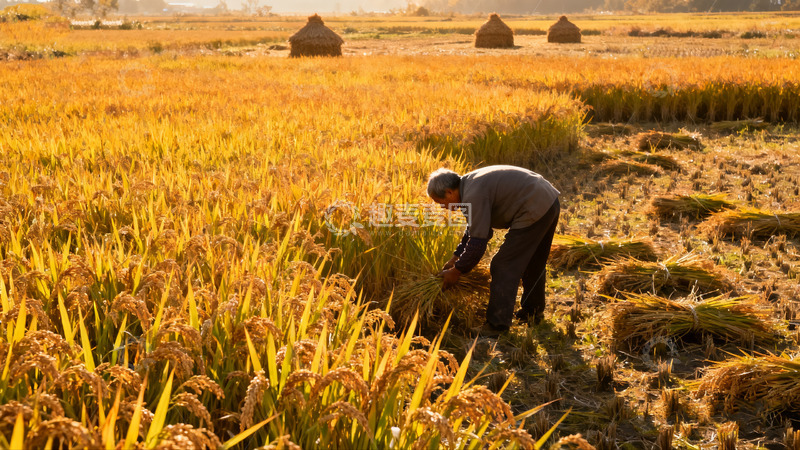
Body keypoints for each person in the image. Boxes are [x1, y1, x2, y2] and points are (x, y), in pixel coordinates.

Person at [427, 165, 560, 337]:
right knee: (533, 261)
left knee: (502, 265)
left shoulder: (473, 194)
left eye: (440, 202)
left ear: (449, 192)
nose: (442, 207)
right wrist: (454, 259)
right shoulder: (469, 185)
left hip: (534, 207)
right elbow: (473, 231)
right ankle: (532, 313)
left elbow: (478, 242)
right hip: (548, 201)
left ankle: (497, 325)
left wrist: (457, 270)